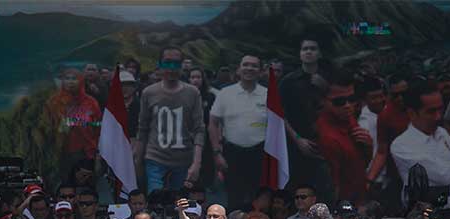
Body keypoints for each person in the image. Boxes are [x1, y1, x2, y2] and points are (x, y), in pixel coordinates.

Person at [135, 47, 205, 193]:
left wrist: (196, 163)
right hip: (155, 159)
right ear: (160, 65)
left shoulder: (192, 93)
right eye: (167, 63)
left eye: (176, 63)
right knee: (156, 203)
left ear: (181, 66)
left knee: (179, 206)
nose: (171, 68)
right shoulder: (149, 93)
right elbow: (143, 129)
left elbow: (199, 129)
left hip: (183, 160)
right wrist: (137, 161)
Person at [391, 79, 450, 209]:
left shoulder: (442, 133)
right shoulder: (401, 146)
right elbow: (444, 176)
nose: (438, 116)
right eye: (431, 112)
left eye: (440, 109)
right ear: (412, 113)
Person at [209, 55, 268, 208]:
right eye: (245, 65)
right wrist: (217, 153)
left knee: (259, 198)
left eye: (254, 66)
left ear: (261, 71)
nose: (249, 68)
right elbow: (213, 123)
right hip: (232, 153)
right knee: (234, 198)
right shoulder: (225, 93)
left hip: (260, 153)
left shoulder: (268, 94)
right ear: (238, 69)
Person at [279, 36, 331, 198]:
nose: (308, 52)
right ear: (300, 54)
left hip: (328, 143)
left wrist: (326, 88)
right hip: (297, 145)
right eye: (305, 49)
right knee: (297, 189)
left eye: (313, 48)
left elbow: (342, 107)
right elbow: (280, 114)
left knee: (325, 190)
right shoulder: (288, 81)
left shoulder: (330, 79)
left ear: (320, 53)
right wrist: (298, 139)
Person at [316, 70, 373, 205]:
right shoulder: (327, 138)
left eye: (351, 99)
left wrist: (368, 146)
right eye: (339, 101)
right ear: (323, 101)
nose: (348, 106)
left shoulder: (347, 118)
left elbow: (360, 163)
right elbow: (332, 189)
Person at [47, 67, 102, 180]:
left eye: (74, 78)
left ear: (81, 81)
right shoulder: (54, 102)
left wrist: (87, 124)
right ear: (62, 81)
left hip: (86, 152)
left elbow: (99, 125)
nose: (71, 81)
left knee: (85, 187)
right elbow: (49, 125)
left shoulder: (91, 102)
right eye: (67, 78)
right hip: (61, 153)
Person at [366, 73, 409, 196]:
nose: (400, 98)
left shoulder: (422, 108)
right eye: (395, 95)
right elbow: (382, 151)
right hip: (398, 174)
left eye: (404, 94)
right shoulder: (385, 115)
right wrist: (369, 180)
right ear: (389, 95)